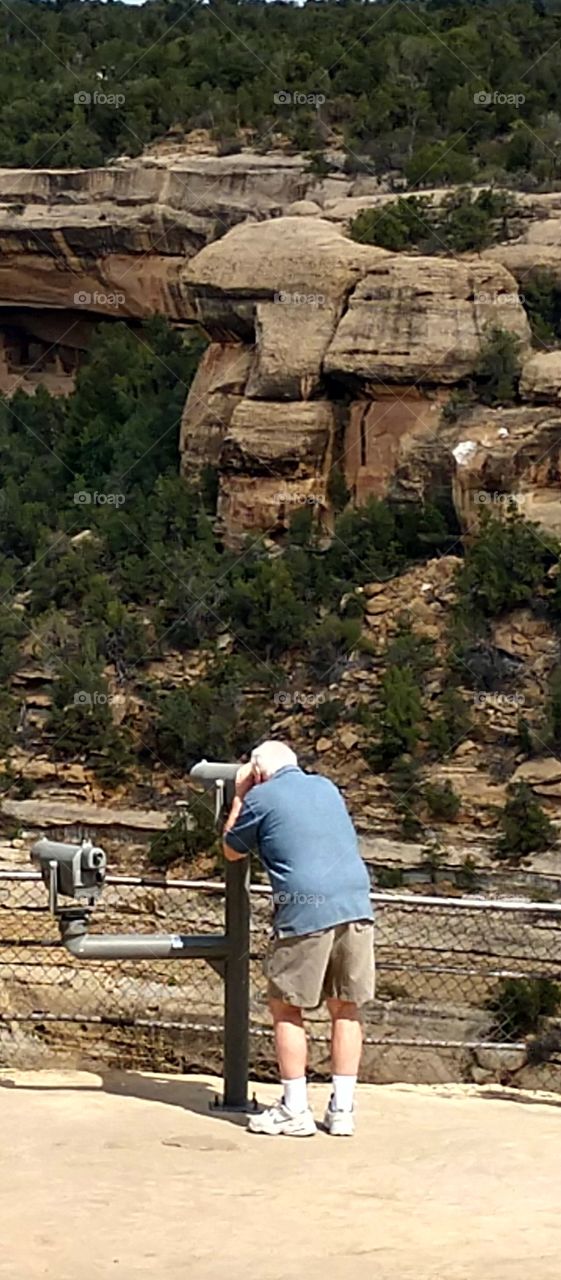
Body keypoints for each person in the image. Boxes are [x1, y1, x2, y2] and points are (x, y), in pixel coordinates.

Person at [223, 739, 374, 1137]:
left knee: (287, 1008)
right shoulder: (326, 786)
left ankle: (294, 1110)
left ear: (258, 772)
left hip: (305, 911)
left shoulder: (261, 796)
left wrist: (240, 794)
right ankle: (342, 1111)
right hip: (356, 904)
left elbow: (231, 848)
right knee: (346, 1007)